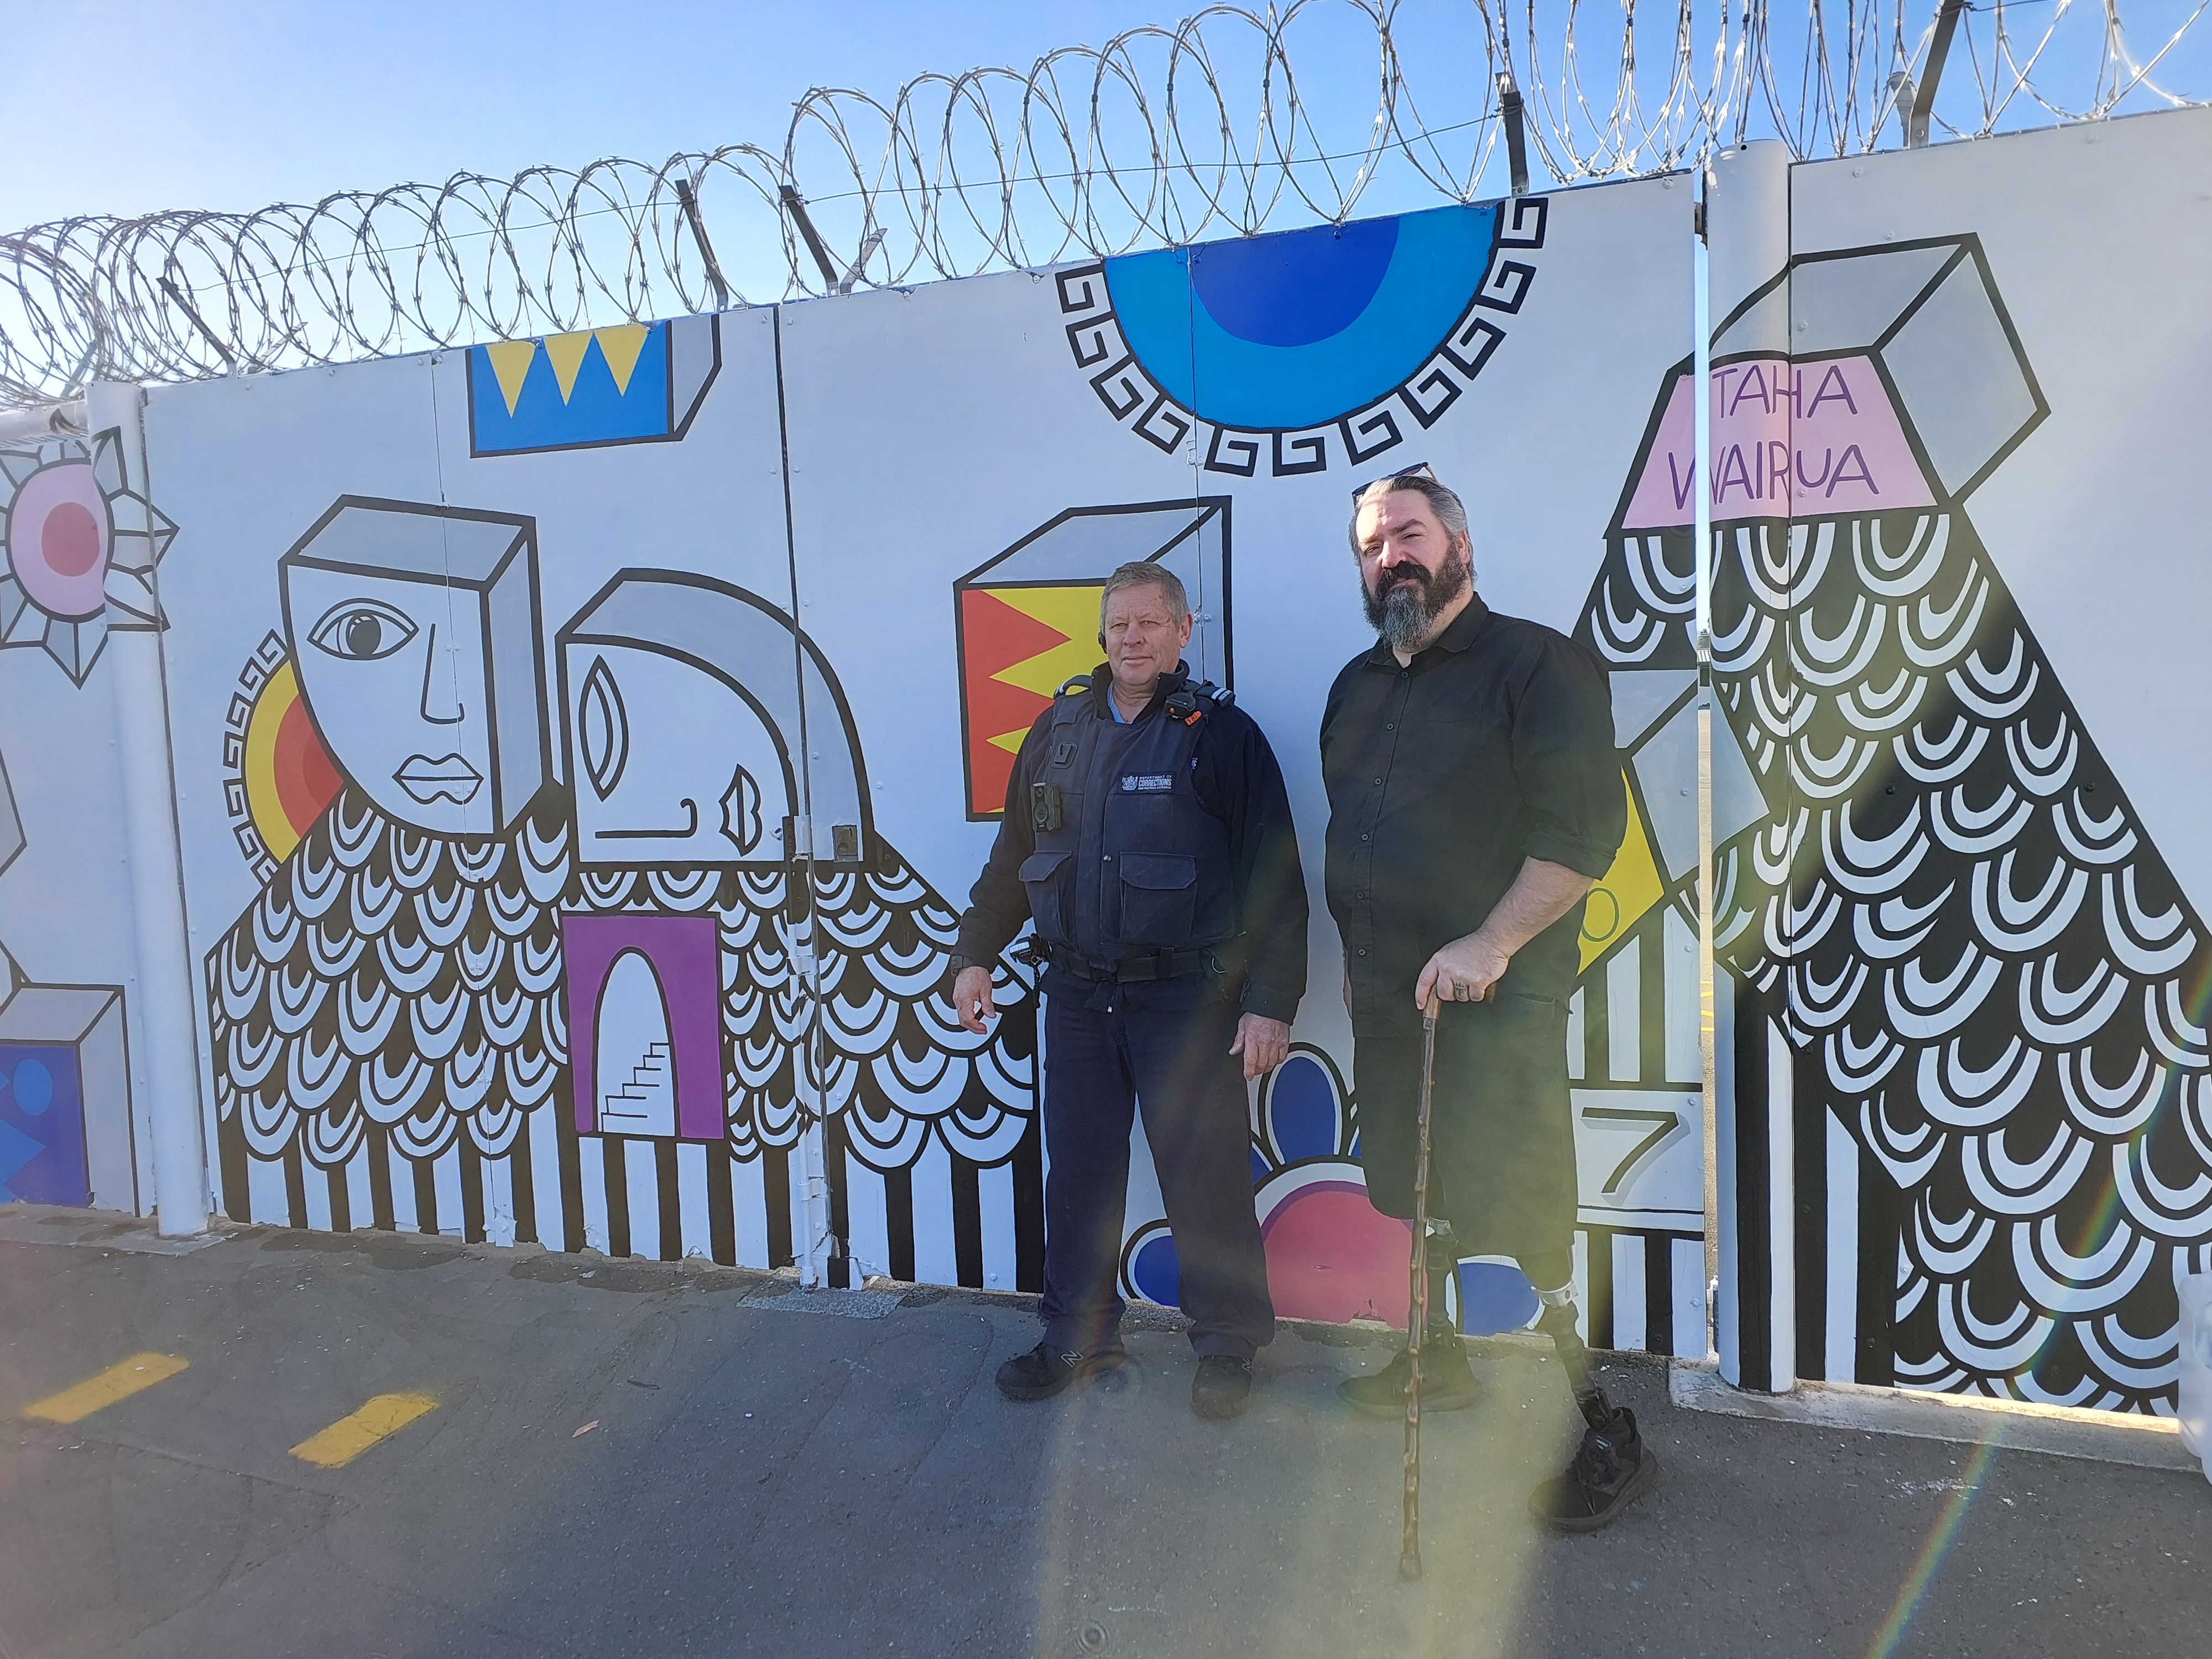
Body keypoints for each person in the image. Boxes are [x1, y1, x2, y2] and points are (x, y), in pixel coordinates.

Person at [1321, 466, 1657, 1531]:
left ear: (1459, 544)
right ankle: (1442, 1360)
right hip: (1388, 1002)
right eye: (1373, 546)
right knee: (1418, 1190)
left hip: (1496, 1001)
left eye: (1409, 535)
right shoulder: (1357, 684)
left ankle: (1605, 1422)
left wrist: (1490, 941)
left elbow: (1581, 839)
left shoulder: (1538, 666)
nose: (1392, 558)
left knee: (1528, 1210)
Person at [950, 560, 1308, 1421]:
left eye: (1152, 622)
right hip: (1075, 998)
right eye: (1120, 624)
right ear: (1102, 634)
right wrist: (973, 955)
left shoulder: (1223, 737)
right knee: (1078, 1175)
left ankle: (1226, 1345)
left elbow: (1276, 883)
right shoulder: (1058, 730)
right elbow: (1012, 860)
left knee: (1205, 1176)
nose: (1134, 638)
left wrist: (1271, 1004)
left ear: (1185, 632)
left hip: (1185, 1002)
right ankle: (1075, 1335)